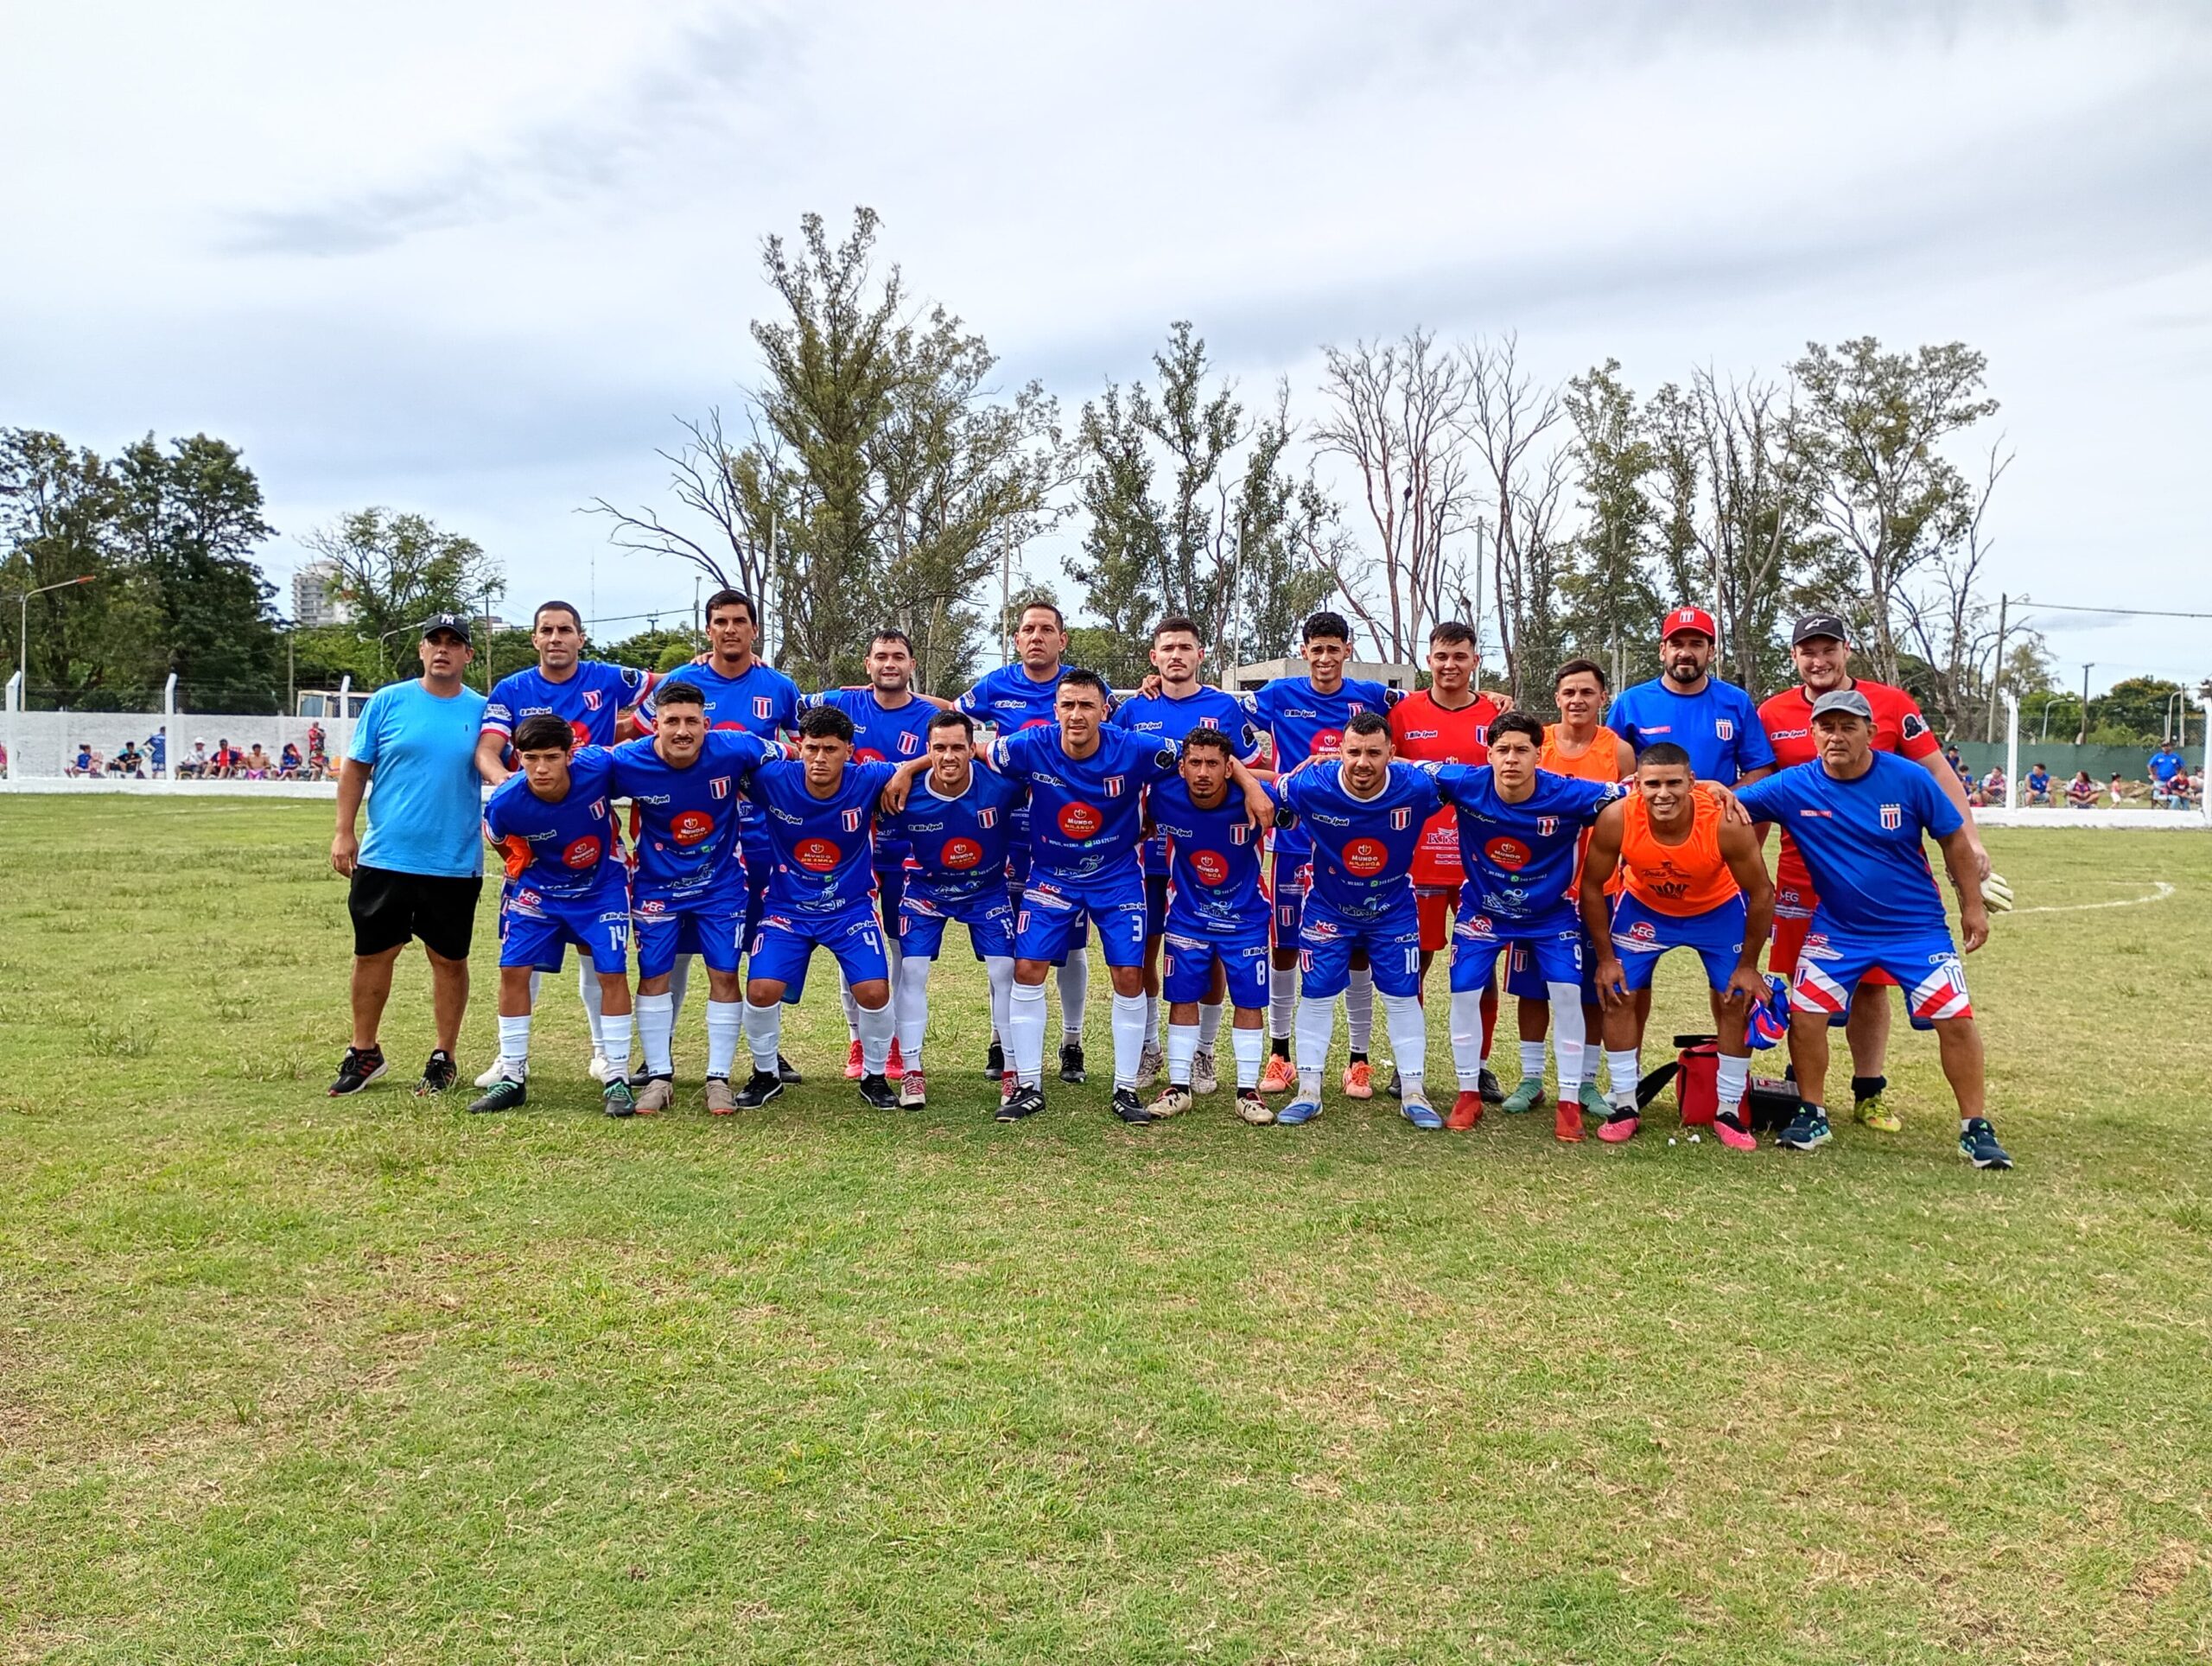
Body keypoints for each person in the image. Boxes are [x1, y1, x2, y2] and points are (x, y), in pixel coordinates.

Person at [969, 668, 1269, 1123]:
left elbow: (1201, 757)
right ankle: (1028, 1084)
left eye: (1086, 705)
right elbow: (966, 749)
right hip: (1053, 876)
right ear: (1055, 710)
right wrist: (908, 772)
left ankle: (1125, 1088)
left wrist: (1248, 783)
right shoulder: (1029, 745)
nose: (1076, 714)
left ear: (1104, 711)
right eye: (1067, 704)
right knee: (1027, 968)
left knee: (1129, 975)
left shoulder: (1136, 747)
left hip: (1116, 876)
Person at [1735, 690, 2011, 1168]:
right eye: (1826, 727)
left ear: (1870, 732)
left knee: (1955, 1020)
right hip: (1838, 929)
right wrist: (1702, 791)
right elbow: (1729, 805)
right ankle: (1813, 1112)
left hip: (1916, 930)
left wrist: (1972, 906)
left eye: (1847, 727)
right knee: (1806, 1015)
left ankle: (1975, 1128)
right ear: (1812, 733)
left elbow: (1953, 841)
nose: (1835, 736)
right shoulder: (1793, 785)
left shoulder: (1908, 778)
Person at [1423, 712, 1627, 1140]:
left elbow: (1632, 796)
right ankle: (1467, 1094)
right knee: (1462, 992)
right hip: (1483, 912)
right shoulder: (1465, 783)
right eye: (1502, 750)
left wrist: (1708, 789)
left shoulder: (1570, 793)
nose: (1511, 759)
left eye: (1521, 750)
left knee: (1569, 995)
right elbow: (1403, 767)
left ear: (1540, 753)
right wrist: (1326, 766)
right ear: (1489, 754)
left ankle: (1569, 1101)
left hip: (1549, 913)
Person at [476, 600, 656, 1086]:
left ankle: (604, 1054)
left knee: (599, 957)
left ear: (580, 637)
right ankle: (511, 1059)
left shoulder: (609, 680)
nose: (556, 638)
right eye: (546, 631)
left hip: (593, 835)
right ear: (534, 638)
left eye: (565, 630)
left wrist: (706, 663)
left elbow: (664, 687)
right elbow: (488, 751)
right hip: (534, 837)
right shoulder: (511, 689)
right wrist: (516, 787)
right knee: (519, 958)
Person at [634, 589, 804, 1082]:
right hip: (685, 844)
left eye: (739, 621)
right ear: (708, 630)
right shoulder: (680, 681)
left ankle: (763, 1054)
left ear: (755, 629)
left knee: (753, 949)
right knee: (678, 951)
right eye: (720, 622)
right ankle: (657, 1053)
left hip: (761, 838)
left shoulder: (779, 687)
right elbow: (639, 739)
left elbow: (801, 752)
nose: (730, 629)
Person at [1578, 742, 1776, 1149]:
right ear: (1636, 785)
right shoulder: (1617, 818)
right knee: (1617, 993)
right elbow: (1592, 888)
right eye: (1652, 784)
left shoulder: (1724, 822)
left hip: (1715, 911)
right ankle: (1625, 1105)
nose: (1662, 793)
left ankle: (1729, 1109)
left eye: (1673, 783)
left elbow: (1762, 894)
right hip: (1646, 910)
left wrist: (1749, 966)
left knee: (1733, 998)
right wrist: (1605, 959)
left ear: (1691, 783)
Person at [328, 615, 490, 1097]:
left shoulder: (484, 710)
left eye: (453, 643)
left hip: (454, 860)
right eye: (434, 642)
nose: (443, 650)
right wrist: (343, 832)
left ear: (468, 656)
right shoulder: (387, 702)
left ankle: (444, 1055)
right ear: (421, 650)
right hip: (386, 856)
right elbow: (355, 770)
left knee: (449, 959)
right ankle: (365, 1052)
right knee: (373, 954)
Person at [1242, 610, 1399, 1099]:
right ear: (1304, 651)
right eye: (1317, 649)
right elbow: (1218, 717)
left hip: (1355, 844)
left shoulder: (1372, 697)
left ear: (1347, 650)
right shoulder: (1278, 694)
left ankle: (1358, 1061)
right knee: (1285, 946)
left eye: (1335, 648)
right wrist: (1153, 689)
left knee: (1357, 949)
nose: (1326, 658)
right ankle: (1281, 1054)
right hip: (1294, 843)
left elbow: (1422, 706)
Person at [606, 681, 783, 1115]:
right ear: (656, 727)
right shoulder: (627, 762)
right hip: (656, 888)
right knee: (653, 978)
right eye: (672, 722)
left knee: (723, 975)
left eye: (691, 721)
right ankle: (660, 1077)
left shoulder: (736, 748)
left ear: (706, 724)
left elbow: (793, 760)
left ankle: (718, 1079)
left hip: (720, 887)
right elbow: (575, 778)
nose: (682, 731)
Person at [1112, 615, 1265, 1096]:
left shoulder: (1223, 706)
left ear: (1201, 655)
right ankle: (1152, 1046)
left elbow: (1244, 764)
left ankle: (1203, 1051)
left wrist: (1245, 785)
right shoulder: (1136, 708)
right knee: (1146, 953)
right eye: (1167, 648)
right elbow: (1112, 759)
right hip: (1146, 849)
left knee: (1214, 951)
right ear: (1153, 658)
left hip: (1206, 849)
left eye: (1185, 647)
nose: (1176, 655)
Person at [1264, 711, 1440, 1129]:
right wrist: (1240, 769)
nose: (1363, 762)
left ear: (1391, 755)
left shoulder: (1416, 786)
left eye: (1374, 753)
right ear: (1339, 752)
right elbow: (1266, 784)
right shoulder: (1312, 784)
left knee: (1402, 996)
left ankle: (1414, 1092)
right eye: (1354, 752)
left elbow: (1473, 781)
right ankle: (1309, 1091)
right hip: (1329, 909)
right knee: (1317, 995)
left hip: (1392, 910)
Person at [956, 601, 1101, 1085]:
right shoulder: (996, 685)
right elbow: (951, 722)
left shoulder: (1081, 689)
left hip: (1067, 836)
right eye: (1026, 630)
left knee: (1072, 944)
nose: (1035, 636)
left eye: (1046, 629)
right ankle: (1003, 1040)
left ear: (1063, 639)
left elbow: (1114, 736)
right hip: (1006, 833)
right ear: (1016, 640)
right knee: (1008, 945)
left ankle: (1072, 1043)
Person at [731, 706, 904, 1110]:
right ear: (799, 747)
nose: (820, 759)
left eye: (830, 749)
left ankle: (875, 1077)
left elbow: (919, 761)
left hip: (850, 910)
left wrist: (907, 770)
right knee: (760, 990)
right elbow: (725, 766)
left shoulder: (868, 778)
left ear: (850, 750)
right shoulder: (773, 779)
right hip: (786, 910)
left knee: (875, 991)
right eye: (811, 748)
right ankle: (765, 1074)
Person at [467, 714, 639, 1118]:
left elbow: (643, 763)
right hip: (539, 891)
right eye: (530, 758)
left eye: (551, 757)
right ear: (518, 758)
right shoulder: (507, 801)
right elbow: (495, 835)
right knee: (513, 971)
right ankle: (512, 1075)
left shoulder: (597, 766)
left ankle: (617, 1077)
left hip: (603, 887)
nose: (541, 768)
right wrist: (516, 856)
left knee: (611, 972)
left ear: (570, 755)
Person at [804, 628, 943, 1084]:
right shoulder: (843, 705)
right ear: (867, 665)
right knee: (858, 949)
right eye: (881, 657)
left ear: (911, 665)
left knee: (903, 951)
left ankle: (899, 1040)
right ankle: (858, 1038)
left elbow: (956, 731)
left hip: (909, 850)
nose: (889, 664)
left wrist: (908, 768)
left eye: (898, 657)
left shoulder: (927, 714)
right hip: (851, 851)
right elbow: (789, 708)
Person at [1503, 658, 1639, 1116]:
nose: (1577, 700)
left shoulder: (1616, 749)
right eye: (1569, 692)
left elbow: (1631, 808)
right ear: (1557, 698)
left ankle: (1583, 1081)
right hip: (1539, 885)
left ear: (1603, 698)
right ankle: (1531, 1078)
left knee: (1592, 987)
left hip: (1602, 885)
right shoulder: (1535, 743)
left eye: (1587, 692)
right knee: (1532, 986)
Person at [875, 709, 1025, 1111]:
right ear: (928, 751)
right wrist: (907, 769)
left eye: (958, 747)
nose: (948, 757)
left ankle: (1013, 1072)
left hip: (986, 890)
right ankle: (912, 1071)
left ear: (971, 749)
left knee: (1004, 971)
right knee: (912, 970)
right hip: (927, 891)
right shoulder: (903, 790)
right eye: (939, 748)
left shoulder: (1001, 785)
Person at [1387, 620, 1504, 1103]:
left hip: (1481, 861)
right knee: (1415, 963)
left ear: (1475, 661)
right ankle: (1406, 1065)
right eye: (1441, 656)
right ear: (1428, 659)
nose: (1450, 665)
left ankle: (1480, 1065)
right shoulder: (1403, 713)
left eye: (1460, 656)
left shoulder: (1494, 717)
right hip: (1418, 859)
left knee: (1482, 965)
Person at [1142, 727, 1276, 1124]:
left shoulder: (1254, 799)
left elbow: (1291, 785)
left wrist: (1252, 783)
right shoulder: (1163, 796)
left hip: (1246, 916)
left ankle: (1248, 1092)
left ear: (1228, 768)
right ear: (1181, 767)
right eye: (1195, 763)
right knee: (1182, 996)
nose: (1203, 772)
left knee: (1249, 1001)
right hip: (1188, 914)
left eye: (1213, 764)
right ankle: (1179, 1087)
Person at [1606, 607, 1776, 789]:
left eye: (1696, 644)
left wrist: (1723, 798)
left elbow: (1761, 769)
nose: (1685, 653)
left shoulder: (1737, 701)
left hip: (1714, 813)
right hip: (1648, 813)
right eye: (1677, 644)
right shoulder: (1630, 702)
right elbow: (1608, 766)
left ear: (1711, 652)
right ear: (1663, 651)